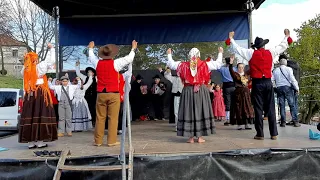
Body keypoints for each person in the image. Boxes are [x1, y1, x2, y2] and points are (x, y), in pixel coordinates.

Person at [226, 29, 292, 140]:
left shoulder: (251, 53)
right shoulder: (270, 52)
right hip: (268, 82)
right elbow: (282, 46)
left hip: (257, 83)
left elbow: (238, 49)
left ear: (256, 47)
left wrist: (231, 38)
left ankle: (260, 134)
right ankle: (274, 133)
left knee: (258, 108)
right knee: (271, 108)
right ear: (264, 46)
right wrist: (286, 36)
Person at [166, 47, 223, 143]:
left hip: (188, 91)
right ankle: (200, 137)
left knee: (188, 111)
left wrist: (169, 54)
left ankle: (190, 137)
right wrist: (220, 53)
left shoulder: (183, 65)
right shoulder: (205, 64)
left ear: (189, 55)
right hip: (201, 90)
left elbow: (171, 64)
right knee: (201, 111)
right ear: (199, 55)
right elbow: (218, 64)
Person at [88, 40, 137, 147]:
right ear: (112, 54)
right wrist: (133, 48)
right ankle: (111, 141)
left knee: (100, 117)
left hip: (101, 93)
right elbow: (129, 59)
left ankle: (98, 141)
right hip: (113, 93)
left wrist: (90, 48)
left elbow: (91, 57)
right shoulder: (116, 63)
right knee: (113, 118)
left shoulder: (97, 63)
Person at [19, 43, 57, 149]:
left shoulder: (25, 70)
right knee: (40, 115)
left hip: (29, 95)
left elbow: (24, 79)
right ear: (35, 59)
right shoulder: (39, 67)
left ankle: (31, 142)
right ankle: (40, 141)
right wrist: (51, 49)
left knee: (29, 116)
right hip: (39, 94)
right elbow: (51, 61)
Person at [272, 58, 300, 127]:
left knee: (282, 106)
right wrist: (297, 88)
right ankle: (295, 121)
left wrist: (275, 87)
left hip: (279, 89)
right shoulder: (289, 69)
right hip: (287, 88)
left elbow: (272, 80)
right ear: (286, 63)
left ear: (280, 63)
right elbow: (292, 79)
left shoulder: (275, 70)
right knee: (292, 104)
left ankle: (283, 122)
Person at [228, 57, 254, 130]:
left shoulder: (246, 75)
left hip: (246, 93)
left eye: (242, 67)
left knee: (247, 108)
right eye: (239, 67)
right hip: (238, 93)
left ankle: (246, 124)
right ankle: (239, 124)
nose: (241, 68)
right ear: (237, 68)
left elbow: (252, 68)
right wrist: (231, 63)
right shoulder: (236, 75)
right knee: (239, 108)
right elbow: (231, 70)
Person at [75, 61, 98, 127]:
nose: (89, 73)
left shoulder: (97, 78)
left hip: (95, 96)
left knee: (94, 109)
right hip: (87, 96)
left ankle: (94, 121)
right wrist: (77, 66)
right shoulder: (85, 78)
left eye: (90, 72)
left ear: (93, 73)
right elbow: (78, 73)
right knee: (87, 108)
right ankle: (88, 121)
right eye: (88, 72)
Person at [217, 57, 237, 125]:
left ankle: (228, 119)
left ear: (225, 62)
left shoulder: (222, 68)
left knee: (227, 102)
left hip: (226, 87)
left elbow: (216, 67)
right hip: (234, 86)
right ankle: (234, 117)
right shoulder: (234, 68)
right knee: (234, 102)